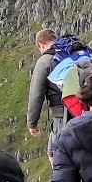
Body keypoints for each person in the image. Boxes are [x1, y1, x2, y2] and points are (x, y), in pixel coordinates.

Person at [26, 28, 66, 158]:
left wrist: (32, 123)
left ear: (41, 45)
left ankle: (63, 178)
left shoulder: (45, 61)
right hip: (88, 111)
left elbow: (36, 94)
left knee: (54, 154)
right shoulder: (72, 55)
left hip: (63, 116)